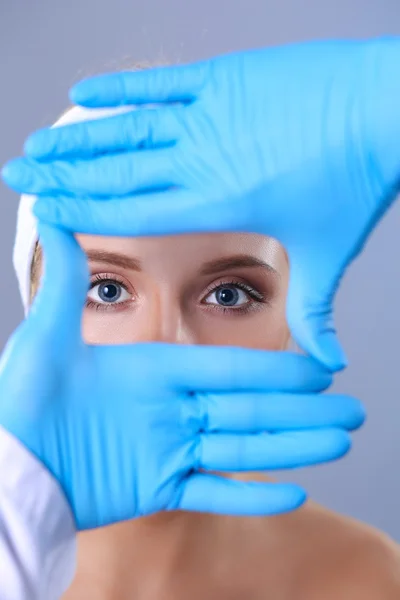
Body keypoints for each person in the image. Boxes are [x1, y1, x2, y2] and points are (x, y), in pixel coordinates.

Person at [1, 37, 400, 598]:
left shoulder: (363, 580)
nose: (168, 345)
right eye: (108, 289)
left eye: (230, 295)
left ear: (297, 317)